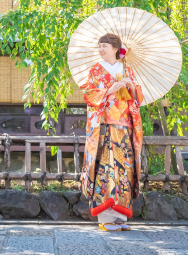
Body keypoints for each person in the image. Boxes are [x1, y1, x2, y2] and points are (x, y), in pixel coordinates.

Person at [80, 33, 144, 232]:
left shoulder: (127, 70)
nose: (101, 49)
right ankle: (106, 217)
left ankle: (120, 217)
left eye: (104, 46)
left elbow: (137, 99)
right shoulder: (95, 71)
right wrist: (110, 89)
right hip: (104, 127)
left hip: (124, 127)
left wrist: (131, 87)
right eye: (99, 46)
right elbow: (89, 95)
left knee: (125, 171)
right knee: (106, 169)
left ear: (116, 49)